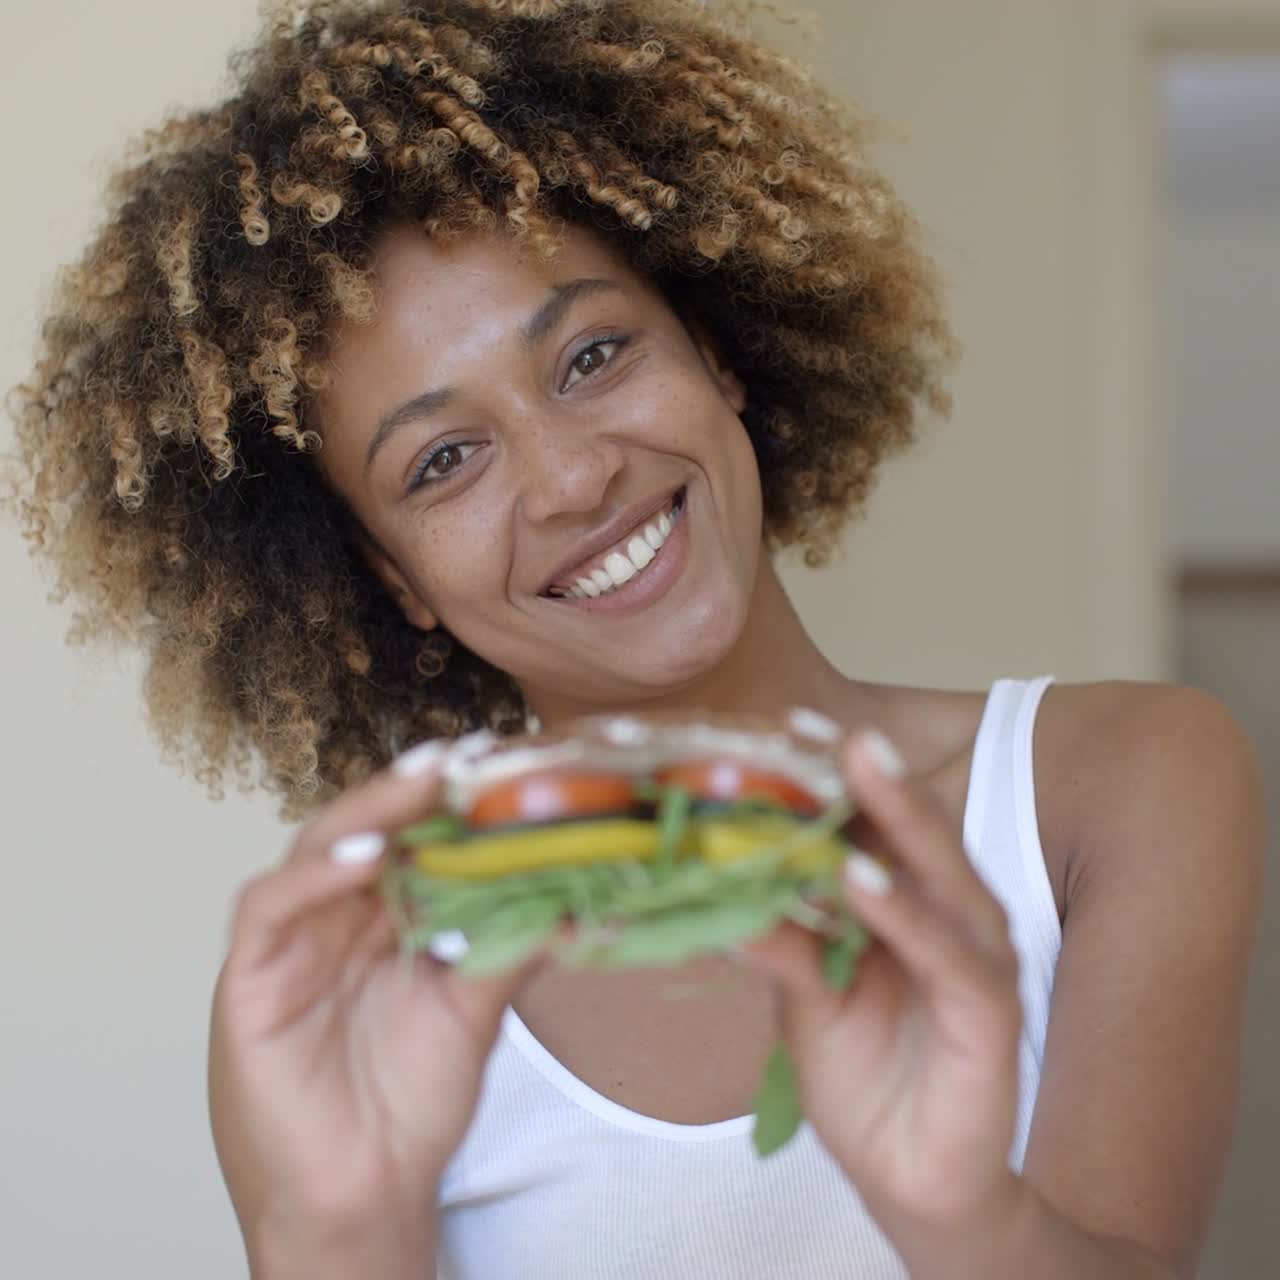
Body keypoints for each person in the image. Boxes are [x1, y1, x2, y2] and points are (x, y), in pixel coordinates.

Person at [5, 1, 1263, 1276]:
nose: (567, 479)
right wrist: (332, 1230)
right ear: (395, 580)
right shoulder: (363, 980)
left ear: (714, 353)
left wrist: (957, 1217)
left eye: (592, 355)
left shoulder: (1114, 784)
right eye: (443, 460)